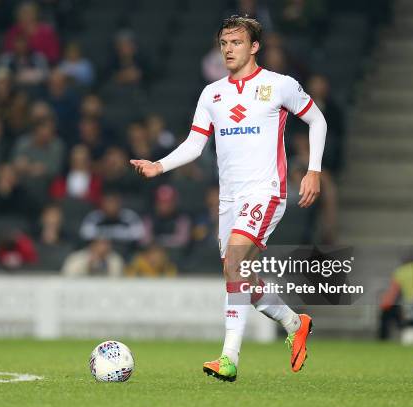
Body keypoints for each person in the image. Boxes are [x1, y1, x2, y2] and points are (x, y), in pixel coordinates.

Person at [130, 16, 327, 381]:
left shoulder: (279, 85)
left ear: (254, 46)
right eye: (224, 43)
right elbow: (194, 143)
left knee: (235, 263)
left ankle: (229, 358)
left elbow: (317, 120)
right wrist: (159, 166)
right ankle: (294, 322)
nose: (228, 49)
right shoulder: (212, 93)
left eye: (236, 42)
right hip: (230, 198)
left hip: (266, 191)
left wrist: (313, 170)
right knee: (240, 279)